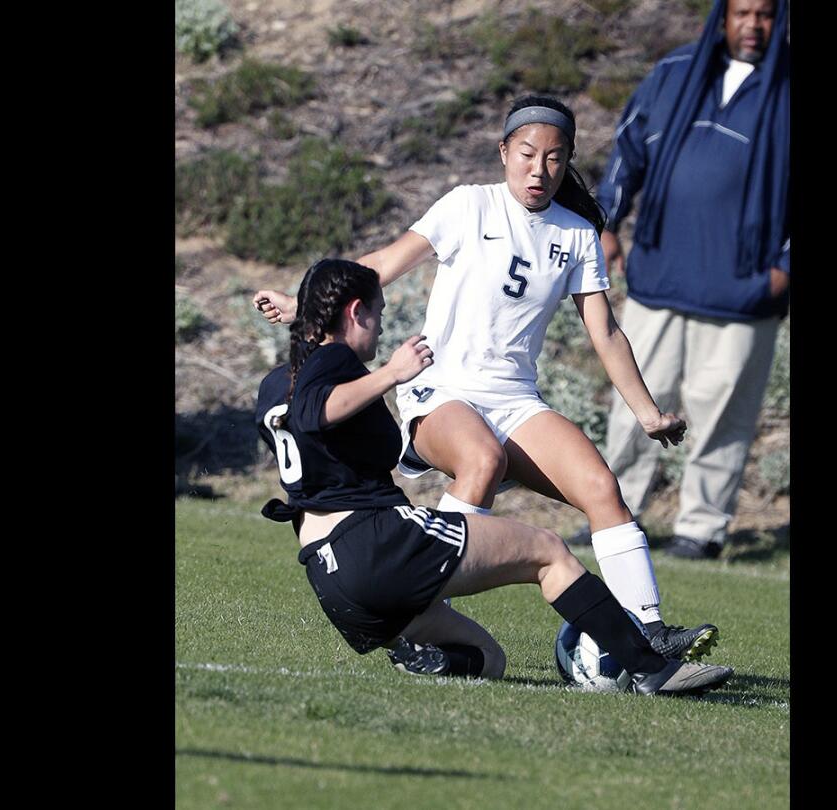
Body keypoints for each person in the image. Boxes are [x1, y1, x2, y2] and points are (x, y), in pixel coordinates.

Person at [255, 95, 718, 661]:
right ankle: (417, 612)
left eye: (554, 158)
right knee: (481, 459)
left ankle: (647, 631)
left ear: (567, 160)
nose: (539, 169)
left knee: (602, 488)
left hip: (515, 401)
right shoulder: (467, 206)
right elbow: (376, 267)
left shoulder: (576, 236)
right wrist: (306, 310)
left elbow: (606, 334)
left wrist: (647, 413)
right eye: (526, 153)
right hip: (441, 391)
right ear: (503, 152)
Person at [254, 258, 732, 695]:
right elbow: (316, 410)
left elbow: (308, 415)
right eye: (376, 315)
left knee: (489, 660)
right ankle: (651, 667)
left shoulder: (276, 383)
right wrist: (392, 374)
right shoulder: (335, 364)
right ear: (356, 312)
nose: (380, 332)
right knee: (548, 551)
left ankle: (433, 661)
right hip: (375, 545)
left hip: (332, 579)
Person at [584, 0, 790, 559]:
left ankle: (701, 531)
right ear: (722, 16)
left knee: (723, 415)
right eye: (743, 12)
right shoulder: (675, 73)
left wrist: (781, 272)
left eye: (766, 14)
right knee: (634, 403)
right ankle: (613, 510)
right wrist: (607, 222)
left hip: (744, 291)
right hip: (660, 274)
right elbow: (627, 154)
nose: (753, 25)